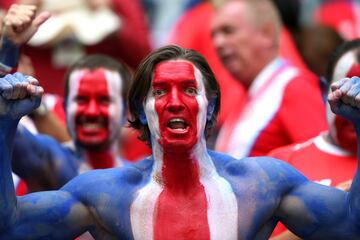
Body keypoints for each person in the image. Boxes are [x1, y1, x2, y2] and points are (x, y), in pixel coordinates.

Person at [1, 45, 360, 239]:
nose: (175, 102)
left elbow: (350, 225)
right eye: (159, 91)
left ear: (211, 105)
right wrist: (4, 125)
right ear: (140, 111)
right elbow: (11, 228)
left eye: (190, 90)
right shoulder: (105, 195)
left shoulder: (260, 185)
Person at [269, 39, 360, 240]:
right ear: (323, 89)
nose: (356, 102)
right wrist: (328, 215)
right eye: (346, 90)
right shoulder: (282, 163)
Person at [211, 0, 327, 158]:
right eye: (214, 35)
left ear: (267, 33)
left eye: (228, 31)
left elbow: (321, 164)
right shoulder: (248, 96)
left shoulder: (294, 87)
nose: (218, 43)